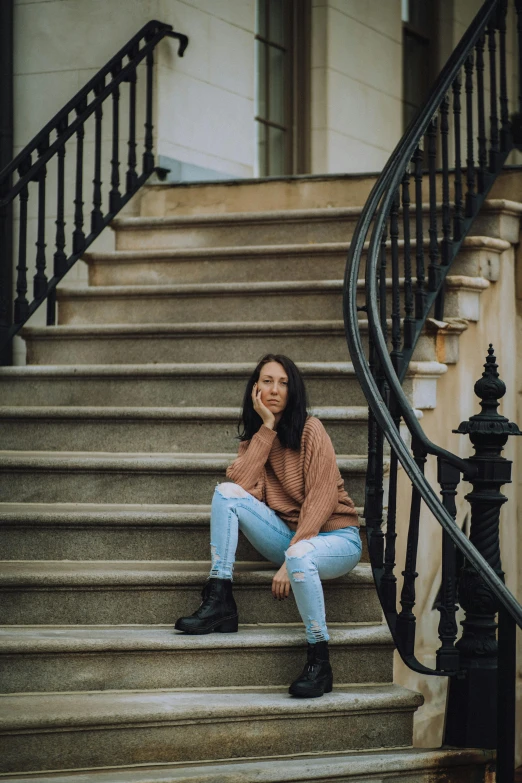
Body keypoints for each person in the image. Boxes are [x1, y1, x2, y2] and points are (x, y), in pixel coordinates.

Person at [175, 353, 361, 698]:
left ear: (293, 390)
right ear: (255, 390)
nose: (274, 389)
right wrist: (267, 427)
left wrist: (293, 555)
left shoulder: (311, 429)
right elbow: (241, 482)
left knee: (302, 557)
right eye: (267, 381)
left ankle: (320, 661)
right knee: (226, 493)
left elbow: (321, 499)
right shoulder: (258, 439)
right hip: (291, 537)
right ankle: (220, 598)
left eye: (283, 382)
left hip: (335, 539)